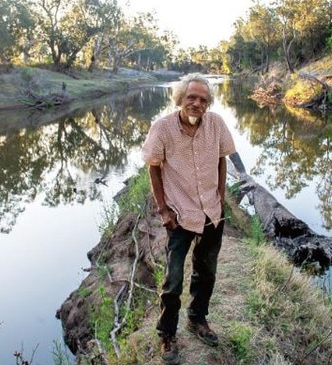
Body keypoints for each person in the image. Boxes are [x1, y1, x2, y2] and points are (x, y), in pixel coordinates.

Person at [142, 73, 236, 364]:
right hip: (179, 214)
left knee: (206, 272)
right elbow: (154, 167)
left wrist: (220, 195)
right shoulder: (162, 128)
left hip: (211, 211)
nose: (197, 103)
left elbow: (222, 158)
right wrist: (163, 210)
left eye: (203, 100)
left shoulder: (216, 124)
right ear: (180, 98)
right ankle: (167, 335)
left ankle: (197, 320)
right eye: (191, 97)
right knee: (173, 279)